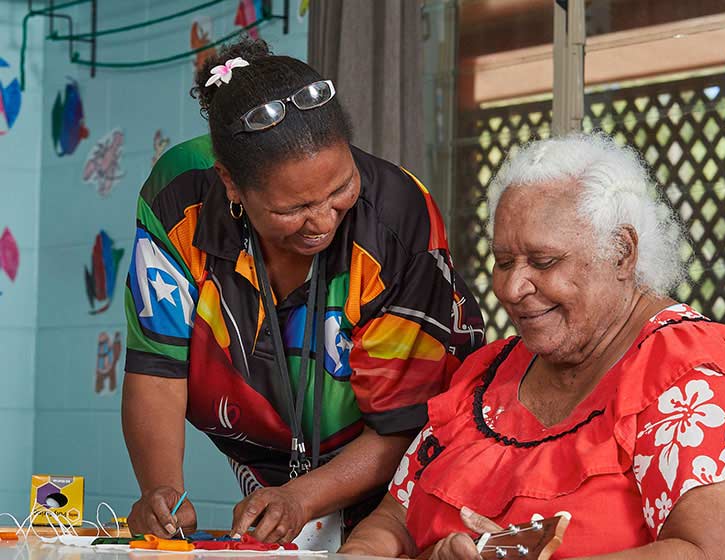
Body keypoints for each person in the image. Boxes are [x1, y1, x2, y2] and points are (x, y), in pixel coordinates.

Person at [341, 134, 725, 559]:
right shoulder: (486, 377)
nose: (513, 287)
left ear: (621, 253)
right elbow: (394, 517)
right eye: (503, 262)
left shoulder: (692, 379)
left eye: (544, 261)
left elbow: (719, 554)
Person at [121, 37, 485, 547]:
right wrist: (163, 492)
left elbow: (406, 421)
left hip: (403, 471)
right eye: (291, 210)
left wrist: (301, 497)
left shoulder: (399, 218)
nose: (321, 222)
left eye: (340, 189)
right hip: (268, 464)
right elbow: (158, 366)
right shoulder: (179, 195)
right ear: (230, 183)